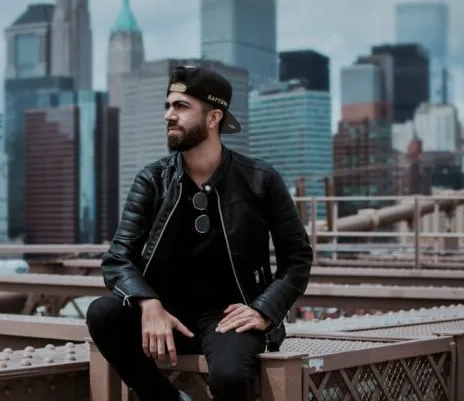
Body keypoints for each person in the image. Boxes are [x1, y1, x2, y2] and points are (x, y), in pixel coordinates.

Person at [85, 65, 313, 401]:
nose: (168, 115)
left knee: (230, 377)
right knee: (102, 314)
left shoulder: (260, 180)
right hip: (167, 315)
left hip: (230, 316)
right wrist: (149, 303)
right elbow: (118, 258)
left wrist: (264, 310)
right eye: (168, 106)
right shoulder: (153, 180)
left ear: (213, 118)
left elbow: (298, 258)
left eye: (181, 106)